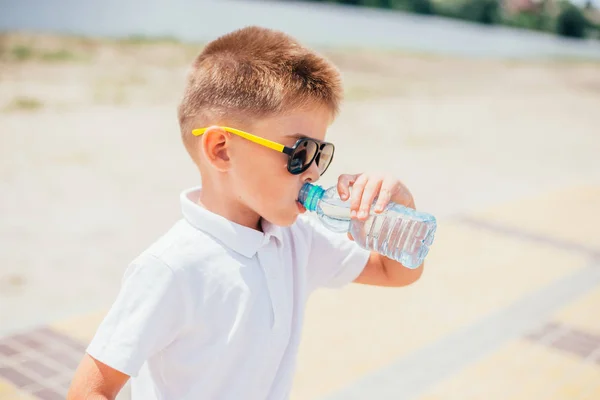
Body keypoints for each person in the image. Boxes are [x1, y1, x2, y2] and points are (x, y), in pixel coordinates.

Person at [68, 26, 424, 400]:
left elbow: (394, 272)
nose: (315, 172)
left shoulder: (294, 240)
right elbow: (90, 390)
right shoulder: (171, 268)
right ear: (221, 149)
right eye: (300, 152)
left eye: (321, 154)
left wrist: (400, 212)